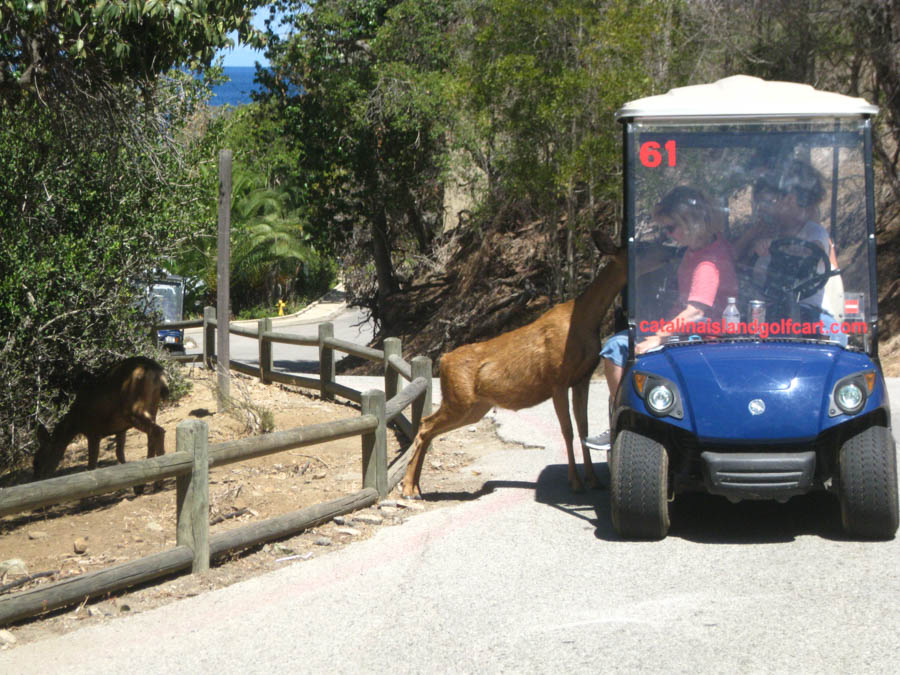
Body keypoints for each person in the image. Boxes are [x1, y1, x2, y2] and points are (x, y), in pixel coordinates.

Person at [600, 186, 738, 399]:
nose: (667, 234)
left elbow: (695, 312)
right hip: (691, 329)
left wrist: (658, 337)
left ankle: (623, 413)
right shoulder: (704, 246)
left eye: (671, 228)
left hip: (702, 334)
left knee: (615, 347)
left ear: (690, 222)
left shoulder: (708, 264)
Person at [732, 159, 845, 341]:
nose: (764, 208)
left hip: (807, 316)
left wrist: (778, 248)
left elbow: (808, 257)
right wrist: (753, 244)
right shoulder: (766, 231)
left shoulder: (814, 232)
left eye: (770, 202)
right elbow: (731, 262)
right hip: (767, 313)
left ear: (790, 200)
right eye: (761, 203)